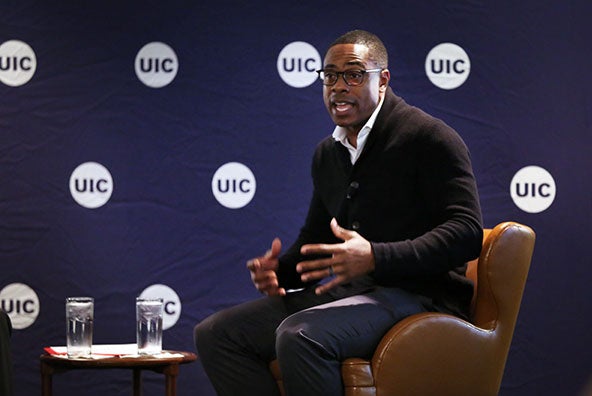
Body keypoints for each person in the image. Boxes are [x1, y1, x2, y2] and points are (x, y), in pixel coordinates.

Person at [194, 29, 483, 396]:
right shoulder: (328, 154)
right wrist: (279, 271)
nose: (339, 86)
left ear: (383, 81)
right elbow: (318, 239)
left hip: (423, 297)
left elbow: (466, 233)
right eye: (330, 75)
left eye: (354, 74)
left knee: (302, 335)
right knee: (218, 334)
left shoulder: (428, 137)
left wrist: (376, 257)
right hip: (356, 294)